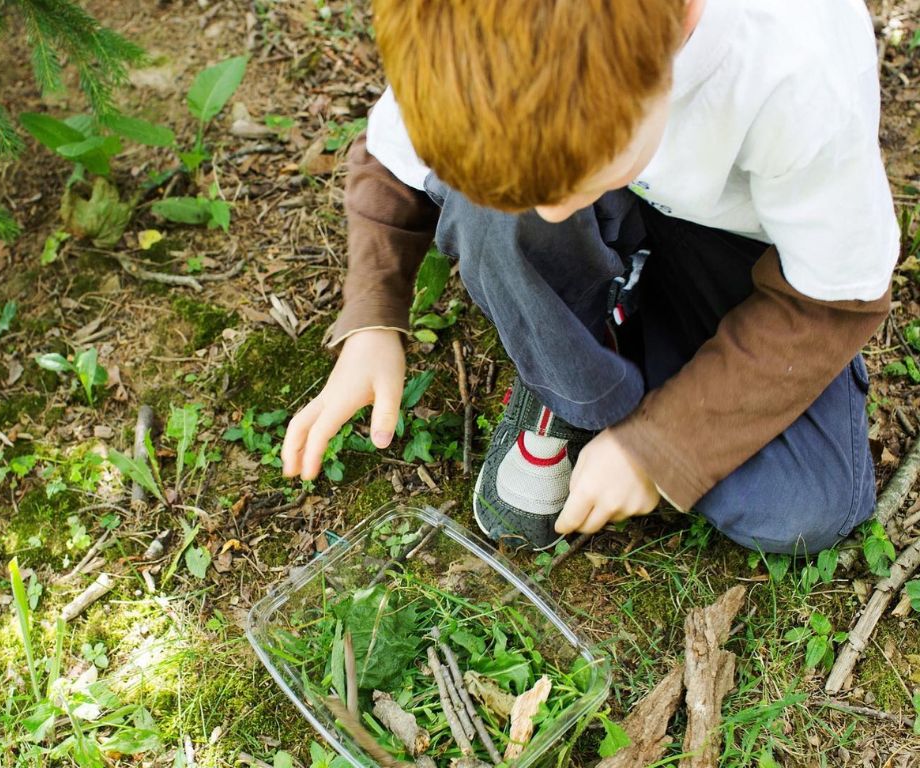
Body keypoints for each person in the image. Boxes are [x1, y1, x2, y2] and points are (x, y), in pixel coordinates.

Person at [281, 0, 898, 555]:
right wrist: (373, 316)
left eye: (580, 177)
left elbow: (832, 299)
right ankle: (576, 386)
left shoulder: (794, 65)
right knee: (500, 215)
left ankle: (610, 355)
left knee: (803, 505)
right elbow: (398, 152)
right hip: (627, 202)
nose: (550, 215)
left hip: (739, 245)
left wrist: (658, 448)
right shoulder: (482, 31)